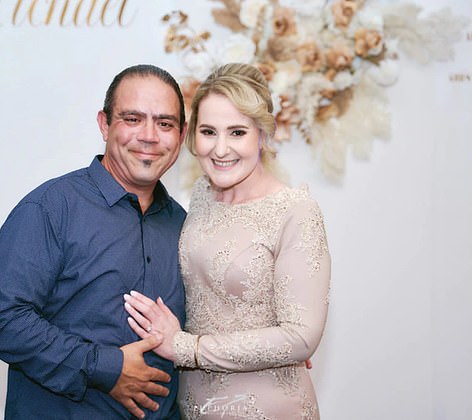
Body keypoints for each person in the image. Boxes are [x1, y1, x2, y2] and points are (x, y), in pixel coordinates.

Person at [123, 63, 331, 419]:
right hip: (193, 405)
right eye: (208, 132)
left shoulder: (295, 210)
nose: (220, 149)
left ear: (262, 135)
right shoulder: (202, 196)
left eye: (237, 132)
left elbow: (300, 338)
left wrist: (187, 348)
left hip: (265, 405)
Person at [0, 64, 187, 419]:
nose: (150, 136)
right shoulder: (50, 208)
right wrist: (107, 368)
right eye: (133, 119)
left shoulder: (184, 225)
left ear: (181, 136)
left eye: (165, 123)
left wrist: (269, 348)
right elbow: (3, 321)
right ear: (104, 124)